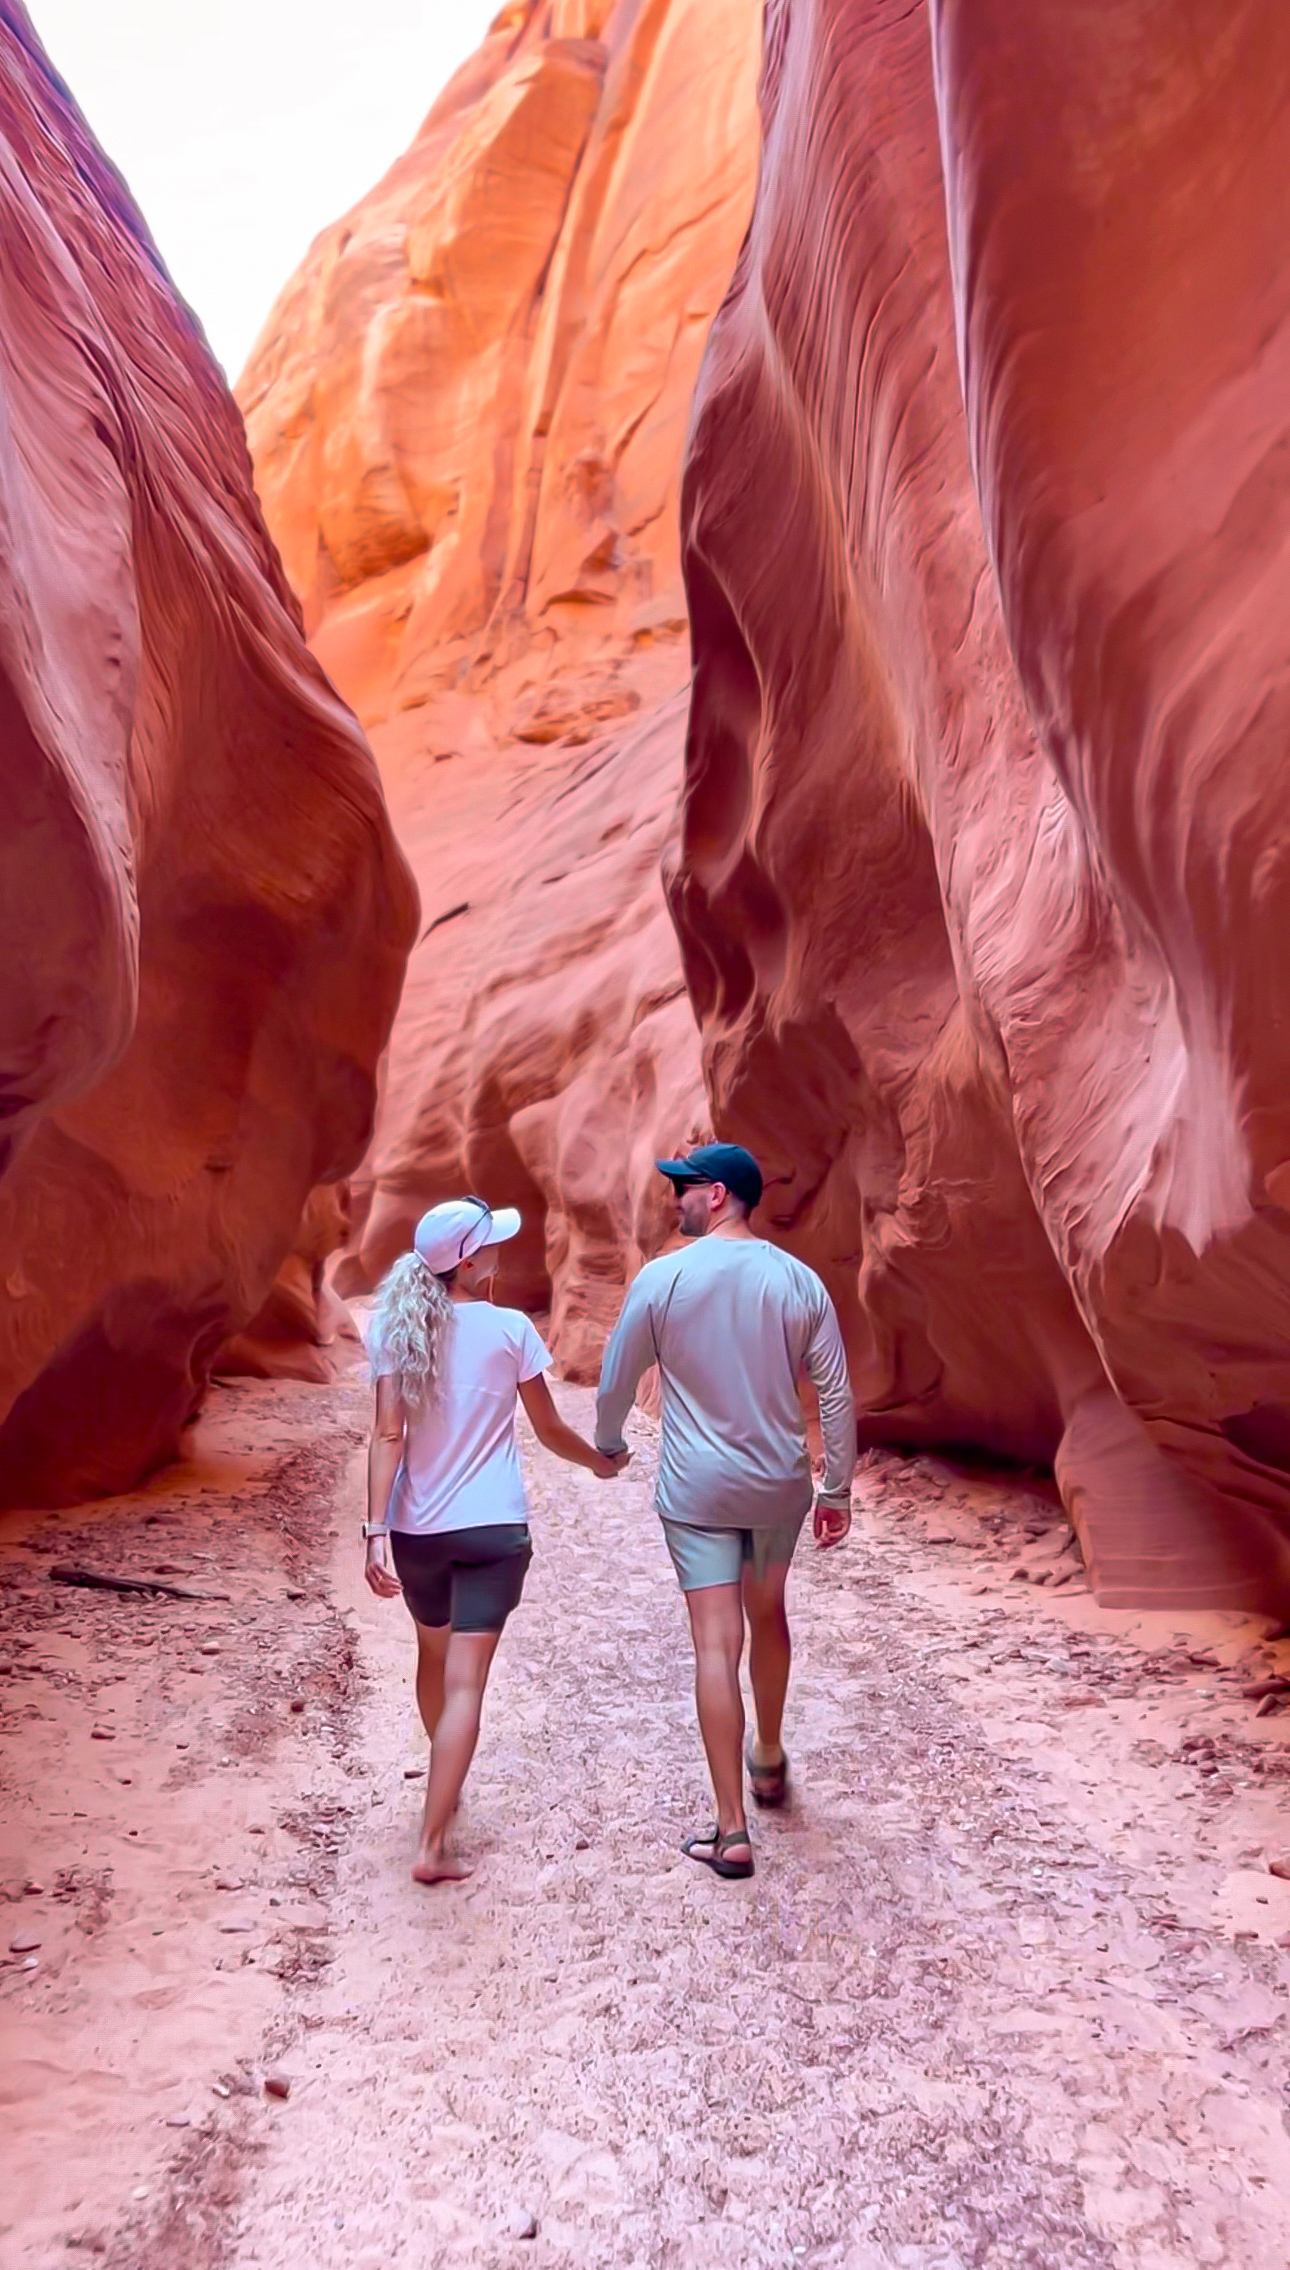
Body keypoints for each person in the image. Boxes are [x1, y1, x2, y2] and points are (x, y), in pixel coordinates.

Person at [595, 1143, 856, 1880]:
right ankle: (768, 1755)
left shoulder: (663, 1279)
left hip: (698, 1490)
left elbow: (619, 1374)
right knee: (768, 1611)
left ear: (716, 1196)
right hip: (777, 1486)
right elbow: (833, 1393)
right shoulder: (798, 1280)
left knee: (717, 1645)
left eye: (682, 1189)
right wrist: (835, 1489)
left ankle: (731, 1828)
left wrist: (609, 1443)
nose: (674, 1200)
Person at [363, 1196, 625, 1884]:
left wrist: (373, 1533)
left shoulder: (398, 1330)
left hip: (418, 1531)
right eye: (493, 1245)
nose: (503, 1252)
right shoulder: (511, 1329)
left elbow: (388, 1434)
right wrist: (600, 1460)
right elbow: (549, 1431)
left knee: (433, 1656)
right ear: (469, 1262)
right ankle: (432, 1845)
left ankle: (445, 1788)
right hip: (493, 1530)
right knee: (468, 1685)